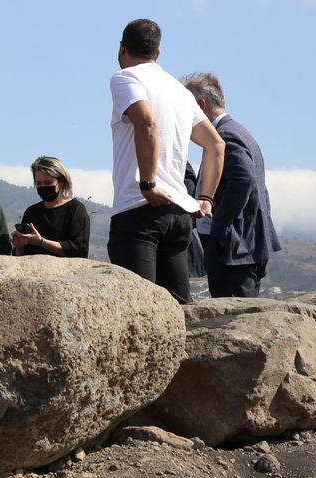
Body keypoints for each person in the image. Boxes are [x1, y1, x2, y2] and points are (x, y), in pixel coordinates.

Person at [107, 19, 225, 304]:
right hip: (178, 213)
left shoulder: (126, 78)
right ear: (157, 53)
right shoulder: (181, 92)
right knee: (177, 307)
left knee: (138, 307)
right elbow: (216, 144)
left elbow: (147, 123)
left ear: (121, 49)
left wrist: (148, 183)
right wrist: (206, 197)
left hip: (139, 207)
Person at [181, 72, 281, 297]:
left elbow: (244, 180)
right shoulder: (236, 131)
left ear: (201, 105)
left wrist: (222, 230)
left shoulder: (225, 135)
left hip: (234, 249)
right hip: (240, 245)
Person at [11, 156, 90, 258]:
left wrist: (41, 242)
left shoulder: (76, 209)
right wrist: (19, 247)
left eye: (48, 182)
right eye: (39, 183)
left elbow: (78, 250)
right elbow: (20, 257)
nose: (43, 186)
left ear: (61, 181)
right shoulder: (31, 212)